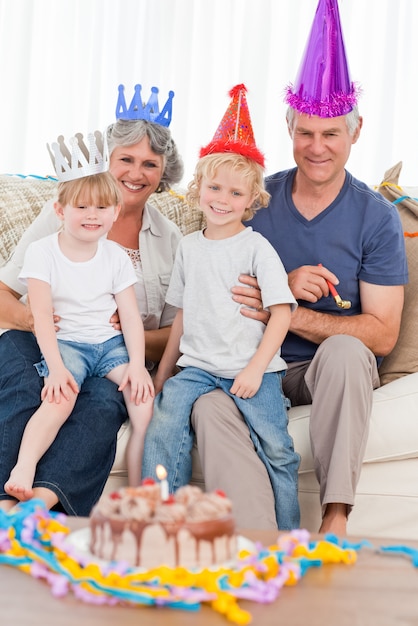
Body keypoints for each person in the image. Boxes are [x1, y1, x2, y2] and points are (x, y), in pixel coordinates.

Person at [190, 0, 408, 535]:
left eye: (331, 133)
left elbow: (381, 335)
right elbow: (210, 287)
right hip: (248, 363)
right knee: (209, 408)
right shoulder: (255, 198)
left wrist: (282, 310)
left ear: (355, 132)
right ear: (289, 128)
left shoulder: (376, 218)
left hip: (324, 373)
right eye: (305, 132)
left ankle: (335, 517)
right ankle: (260, 541)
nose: (317, 147)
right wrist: (281, 287)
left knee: (347, 351)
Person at [0, 83, 184, 514]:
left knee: (104, 403)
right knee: (33, 379)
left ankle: (43, 505)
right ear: (107, 161)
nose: (136, 173)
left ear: (163, 173)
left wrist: (132, 345)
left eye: (149, 164)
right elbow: (4, 294)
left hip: (113, 352)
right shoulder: (61, 213)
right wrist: (38, 320)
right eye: (126, 159)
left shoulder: (170, 239)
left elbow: (176, 330)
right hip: (42, 337)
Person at [143, 85, 300, 530]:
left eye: (235, 194)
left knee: (277, 449)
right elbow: (184, 317)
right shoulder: (189, 248)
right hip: (197, 367)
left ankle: (288, 539)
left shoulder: (257, 249)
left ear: (252, 200)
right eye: (214, 187)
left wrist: (254, 370)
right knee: (164, 425)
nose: (222, 199)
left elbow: (282, 313)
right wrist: (162, 374)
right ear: (198, 189)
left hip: (251, 370)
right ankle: (158, 523)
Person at [5, 165, 154, 502]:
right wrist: (56, 368)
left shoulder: (115, 256)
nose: (92, 215)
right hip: (67, 345)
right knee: (60, 400)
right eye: (82, 207)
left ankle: (137, 495)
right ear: (60, 210)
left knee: (143, 404)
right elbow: (40, 315)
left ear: (115, 211)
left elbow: (129, 317)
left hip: (108, 345)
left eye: (102, 207)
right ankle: (24, 468)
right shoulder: (43, 252)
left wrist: (137, 365)